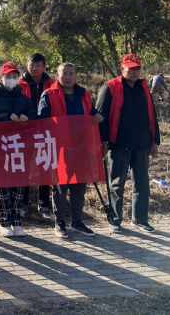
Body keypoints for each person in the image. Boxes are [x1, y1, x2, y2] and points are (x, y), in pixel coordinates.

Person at [38, 63, 104, 239]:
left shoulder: (84, 94)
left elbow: (91, 112)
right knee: (60, 187)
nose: (67, 77)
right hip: (59, 148)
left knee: (79, 186)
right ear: (57, 75)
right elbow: (42, 121)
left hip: (81, 147)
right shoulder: (49, 94)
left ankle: (77, 221)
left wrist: (97, 115)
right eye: (64, 73)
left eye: (71, 73)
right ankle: (59, 222)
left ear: (76, 76)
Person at [96, 54, 160, 233]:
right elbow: (101, 116)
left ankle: (140, 220)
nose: (134, 72)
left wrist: (155, 141)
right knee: (117, 183)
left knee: (142, 184)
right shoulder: (110, 87)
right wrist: (102, 141)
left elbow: (152, 115)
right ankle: (115, 220)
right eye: (130, 68)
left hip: (142, 144)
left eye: (137, 68)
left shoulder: (143, 87)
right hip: (119, 144)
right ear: (122, 69)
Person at [0, 62, 36, 237]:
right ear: (1, 77)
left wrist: (27, 117)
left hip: (20, 147)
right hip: (0, 146)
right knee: (2, 184)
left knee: (19, 184)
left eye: (14, 76)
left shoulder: (24, 99)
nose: (12, 79)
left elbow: (35, 117)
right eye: (8, 76)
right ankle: (4, 222)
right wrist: (5, 116)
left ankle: (17, 222)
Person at [17, 53, 55, 219]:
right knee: (24, 167)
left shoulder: (52, 84)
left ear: (44, 67)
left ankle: (44, 204)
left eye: (38, 65)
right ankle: (23, 204)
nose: (35, 68)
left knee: (44, 166)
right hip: (24, 131)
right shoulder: (19, 84)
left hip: (46, 131)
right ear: (27, 65)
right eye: (32, 65)